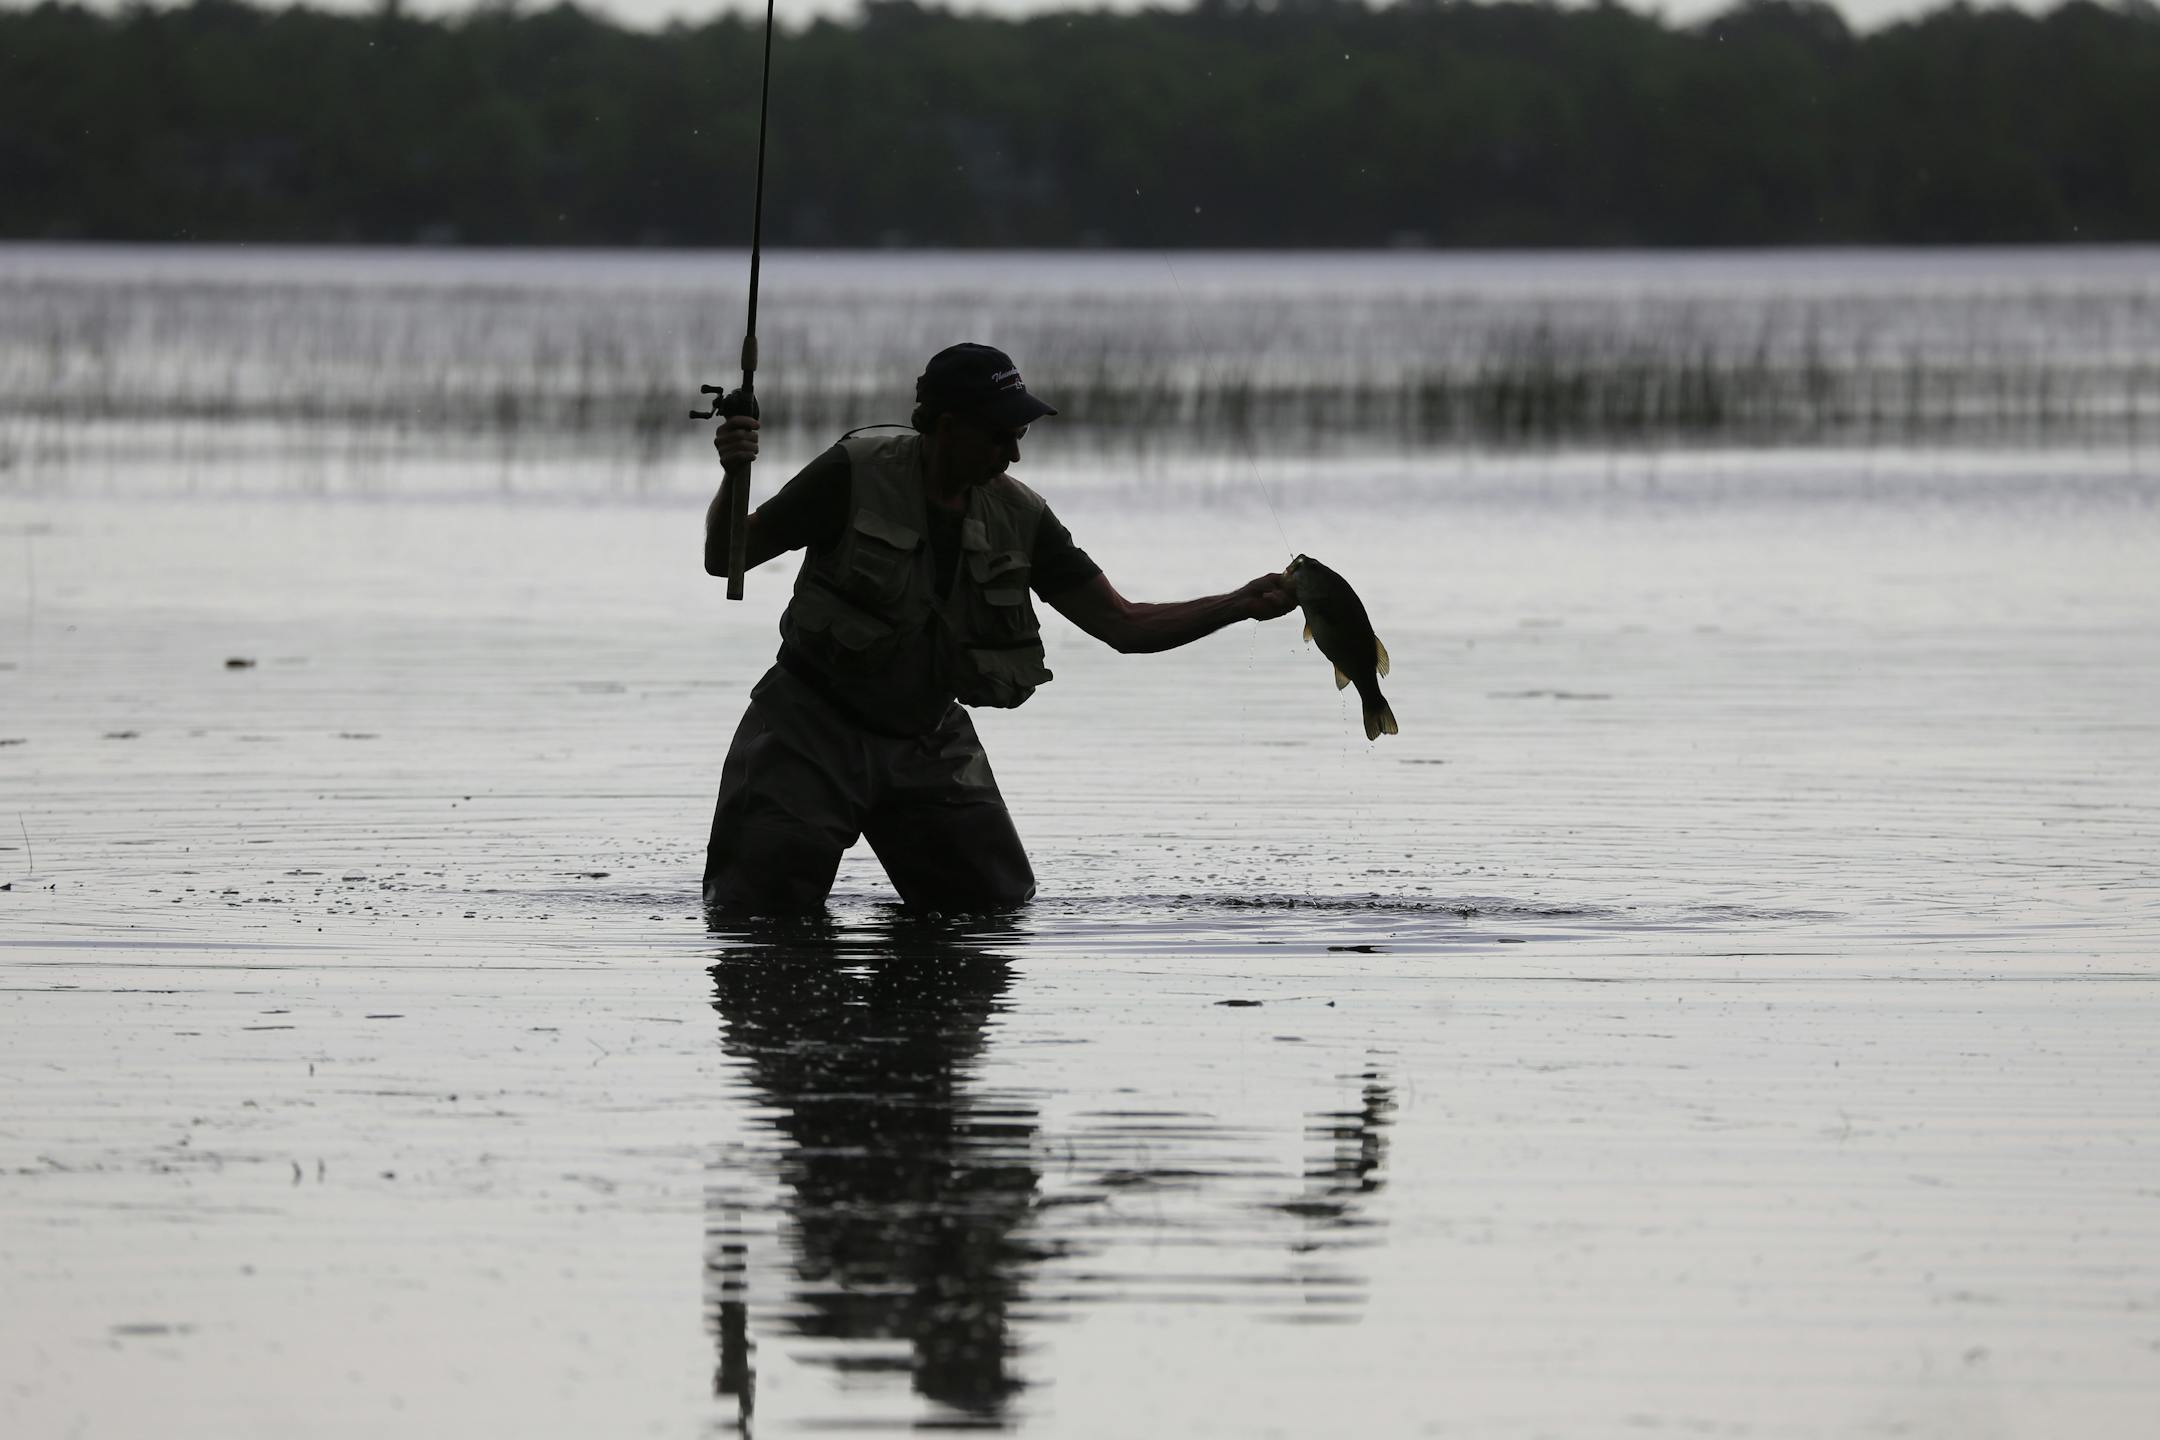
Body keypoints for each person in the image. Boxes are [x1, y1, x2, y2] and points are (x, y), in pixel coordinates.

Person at [702, 342, 1296, 915]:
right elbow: (727, 556)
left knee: (992, 907)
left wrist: (1240, 602)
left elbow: (1124, 624)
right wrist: (735, 474)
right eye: (999, 435)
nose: (1012, 454)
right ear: (947, 425)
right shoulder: (853, 472)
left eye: (1020, 435)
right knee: (757, 916)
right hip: (809, 729)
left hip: (928, 738)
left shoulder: (1023, 516)